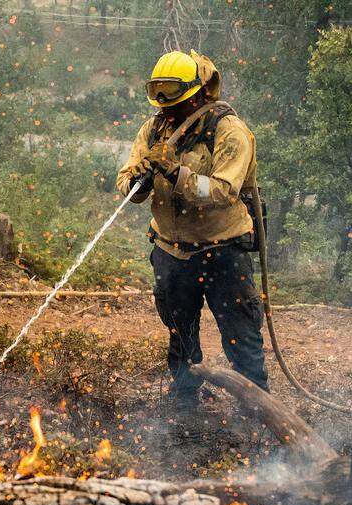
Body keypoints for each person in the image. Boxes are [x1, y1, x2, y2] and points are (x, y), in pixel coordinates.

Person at [116, 50, 269, 409]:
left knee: (241, 339)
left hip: (223, 253)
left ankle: (260, 413)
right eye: (162, 98)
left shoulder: (230, 132)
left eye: (176, 100)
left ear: (200, 94)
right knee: (180, 336)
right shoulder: (154, 129)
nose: (167, 109)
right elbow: (126, 178)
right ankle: (184, 406)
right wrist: (137, 182)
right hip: (171, 252)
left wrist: (175, 174)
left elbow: (223, 191)